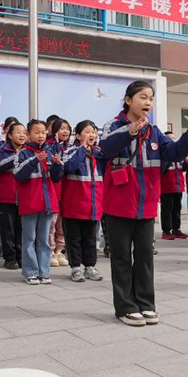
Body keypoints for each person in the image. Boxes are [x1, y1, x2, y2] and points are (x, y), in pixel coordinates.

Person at [100, 80, 188, 326]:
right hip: (118, 204)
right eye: (142, 97)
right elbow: (105, 148)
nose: (148, 103)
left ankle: (146, 304)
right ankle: (125, 307)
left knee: (145, 256)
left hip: (145, 205)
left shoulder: (154, 131)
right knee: (122, 257)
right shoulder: (113, 126)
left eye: (151, 98)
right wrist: (130, 131)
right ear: (128, 100)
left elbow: (175, 153)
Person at [14, 120, 63, 285]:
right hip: (29, 203)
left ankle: (44, 271)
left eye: (43, 132)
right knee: (29, 238)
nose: (40, 135)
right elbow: (19, 175)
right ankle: (30, 272)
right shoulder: (23, 153)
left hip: (47, 203)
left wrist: (57, 165)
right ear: (28, 135)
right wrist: (34, 159)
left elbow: (56, 178)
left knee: (44, 239)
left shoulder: (49, 153)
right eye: (36, 132)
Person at [61, 120, 105, 283]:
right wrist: (82, 149)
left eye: (93, 132)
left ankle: (90, 267)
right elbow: (69, 167)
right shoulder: (69, 151)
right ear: (78, 136)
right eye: (87, 132)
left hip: (93, 205)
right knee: (74, 238)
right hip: (74, 205)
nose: (91, 135)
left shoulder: (99, 154)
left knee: (90, 238)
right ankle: (75, 268)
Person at [0, 121, 25, 270]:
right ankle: (10, 258)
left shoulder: (29, 150)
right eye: (18, 132)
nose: (22, 135)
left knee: (22, 230)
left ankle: (21, 257)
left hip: (25, 197)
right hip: (6, 196)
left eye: (24, 132)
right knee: (8, 230)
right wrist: (18, 156)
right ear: (10, 135)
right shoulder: (2, 150)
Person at [47, 118, 71, 267]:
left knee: (62, 225)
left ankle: (59, 251)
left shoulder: (70, 148)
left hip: (66, 191)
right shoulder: (49, 147)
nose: (65, 131)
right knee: (51, 224)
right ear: (54, 130)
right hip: (53, 191)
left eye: (67, 129)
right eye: (62, 128)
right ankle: (49, 251)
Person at [160, 157, 186, 240]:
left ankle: (176, 229)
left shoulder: (180, 157)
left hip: (178, 186)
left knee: (177, 208)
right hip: (166, 187)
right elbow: (160, 170)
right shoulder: (164, 157)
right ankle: (166, 230)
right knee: (167, 209)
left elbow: (185, 168)